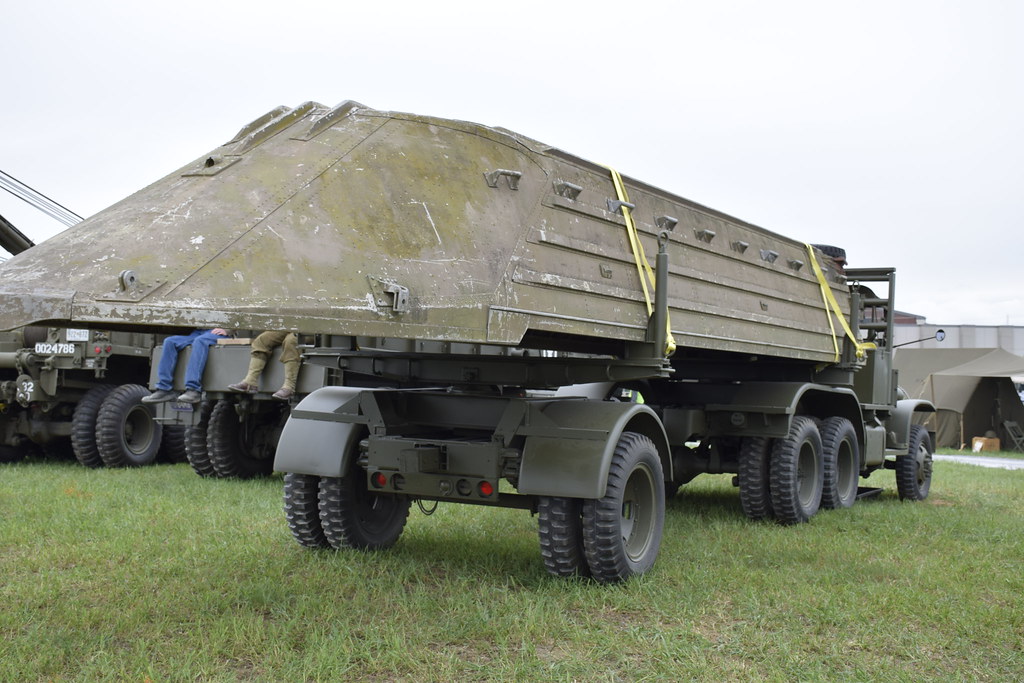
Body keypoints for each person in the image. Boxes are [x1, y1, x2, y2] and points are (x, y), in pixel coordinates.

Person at [142, 328, 231, 403]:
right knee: (169, 342)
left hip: (217, 332)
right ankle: (164, 389)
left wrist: (228, 330)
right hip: (198, 331)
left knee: (200, 341)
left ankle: (193, 389)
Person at [227, 330, 300, 400]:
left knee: (291, 341)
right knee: (262, 340)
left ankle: (289, 387)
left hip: (308, 330)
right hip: (290, 326)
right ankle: (250, 382)